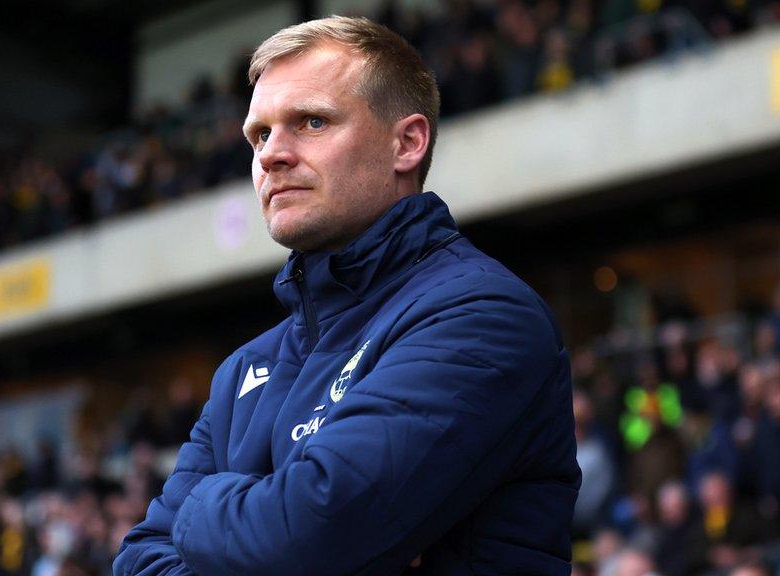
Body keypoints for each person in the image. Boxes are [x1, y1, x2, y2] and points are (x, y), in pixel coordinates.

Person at [114, 16, 579, 576]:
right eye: (259, 134)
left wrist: (197, 514)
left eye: (311, 122)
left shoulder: (482, 315)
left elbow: (308, 539)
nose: (270, 156)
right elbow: (141, 560)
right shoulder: (242, 370)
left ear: (407, 143)